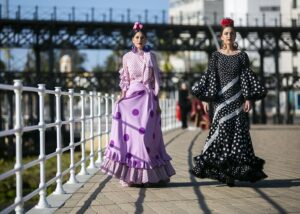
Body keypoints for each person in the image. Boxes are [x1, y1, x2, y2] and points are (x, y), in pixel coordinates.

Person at [190, 18, 267, 187]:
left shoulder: (242, 56)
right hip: (220, 101)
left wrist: (248, 98)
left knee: (238, 134)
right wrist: (205, 98)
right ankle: (224, 171)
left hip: (237, 99)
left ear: (235, 36)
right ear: (221, 37)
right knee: (222, 132)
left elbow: (247, 77)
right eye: (226, 33)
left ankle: (233, 172)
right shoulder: (215, 56)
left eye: (232, 33)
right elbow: (210, 77)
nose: (229, 36)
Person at [100, 22, 175, 187]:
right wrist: (121, 97)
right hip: (130, 100)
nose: (139, 39)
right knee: (134, 137)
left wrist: (156, 99)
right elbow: (125, 80)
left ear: (145, 39)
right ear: (132, 40)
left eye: (142, 37)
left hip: (147, 99)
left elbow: (156, 80)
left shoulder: (151, 56)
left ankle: (149, 175)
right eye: (137, 37)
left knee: (145, 137)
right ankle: (134, 176)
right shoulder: (126, 57)